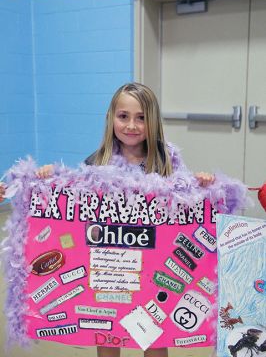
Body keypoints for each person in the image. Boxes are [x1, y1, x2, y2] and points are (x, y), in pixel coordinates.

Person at [0, 82, 214, 357]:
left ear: (152, 122)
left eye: (141, 118)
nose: (132, 125)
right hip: (109, 268)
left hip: (154, 267)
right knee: (108, 332)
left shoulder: (165, 161)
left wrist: (202, 182)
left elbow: (186, 199)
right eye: (123, 116)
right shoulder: (99, 161)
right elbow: (75, 197)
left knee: (154, 336)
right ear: (111, 118)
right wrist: (48, 177)